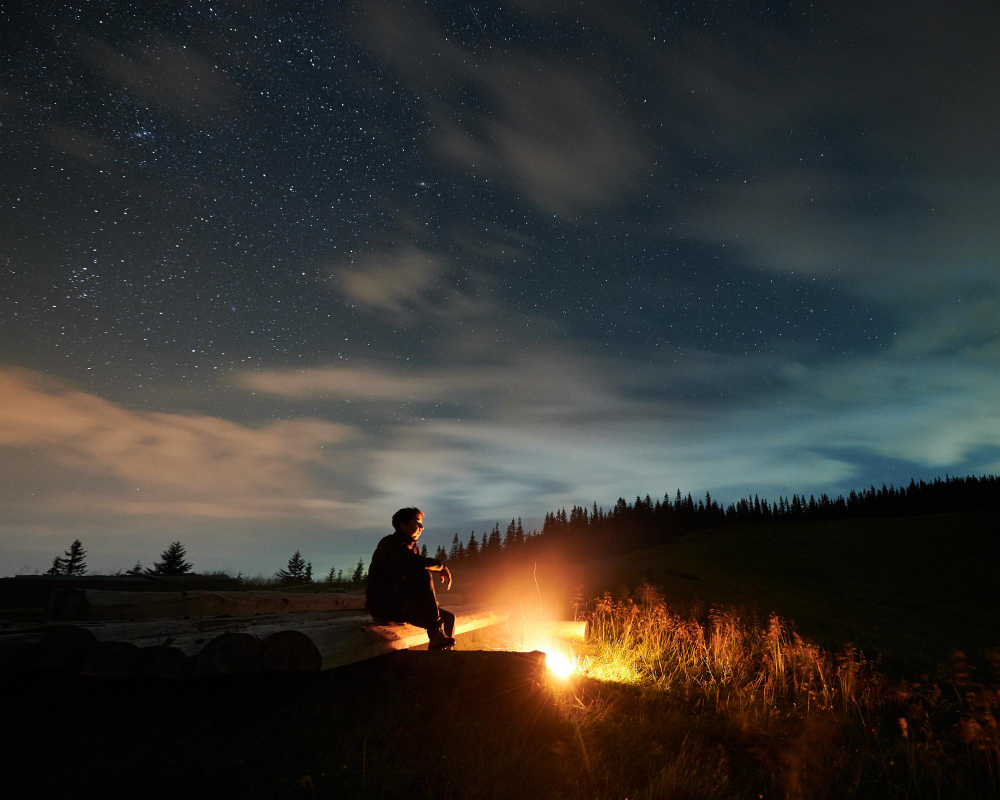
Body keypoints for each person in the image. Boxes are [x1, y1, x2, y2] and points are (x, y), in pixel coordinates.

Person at [365, 507, 456, 650]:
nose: (422, 527)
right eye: (417, 523)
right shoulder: (390, 544)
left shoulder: (413, 548)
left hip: (403, 606)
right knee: (422, 574)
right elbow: (412, 564)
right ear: (404, 525)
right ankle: (436, 633)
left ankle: (439, 659)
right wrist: (441, 566)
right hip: (384, 606)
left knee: (449, 618)